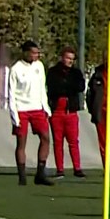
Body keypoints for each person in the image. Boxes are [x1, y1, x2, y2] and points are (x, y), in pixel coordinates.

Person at [7, 40, 53, 186]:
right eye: (33, 53)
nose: (36, 55)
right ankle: (22, 176)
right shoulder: (16, 69)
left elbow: (42, 87)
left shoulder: (39, 66)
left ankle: (40, 172)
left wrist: (45, 107)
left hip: (37, 109)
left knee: (45, 137)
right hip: (21, 109)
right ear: (25, 52)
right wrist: (14, 116)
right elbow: (11, 94)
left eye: (37, 53)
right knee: (21, 142)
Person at [46, 47, 87, 180]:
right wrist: (66, 87)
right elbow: (53, 87)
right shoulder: (53, 72)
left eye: (72, 59)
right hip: (57, 111)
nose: (70, 61)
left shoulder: (76, 73)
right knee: (58, 142)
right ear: (62, 57)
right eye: (68, 58)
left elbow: (80, 87)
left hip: (71, 111)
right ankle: (60, 169)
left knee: (73, 141)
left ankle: (77, 168)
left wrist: (67, 87)